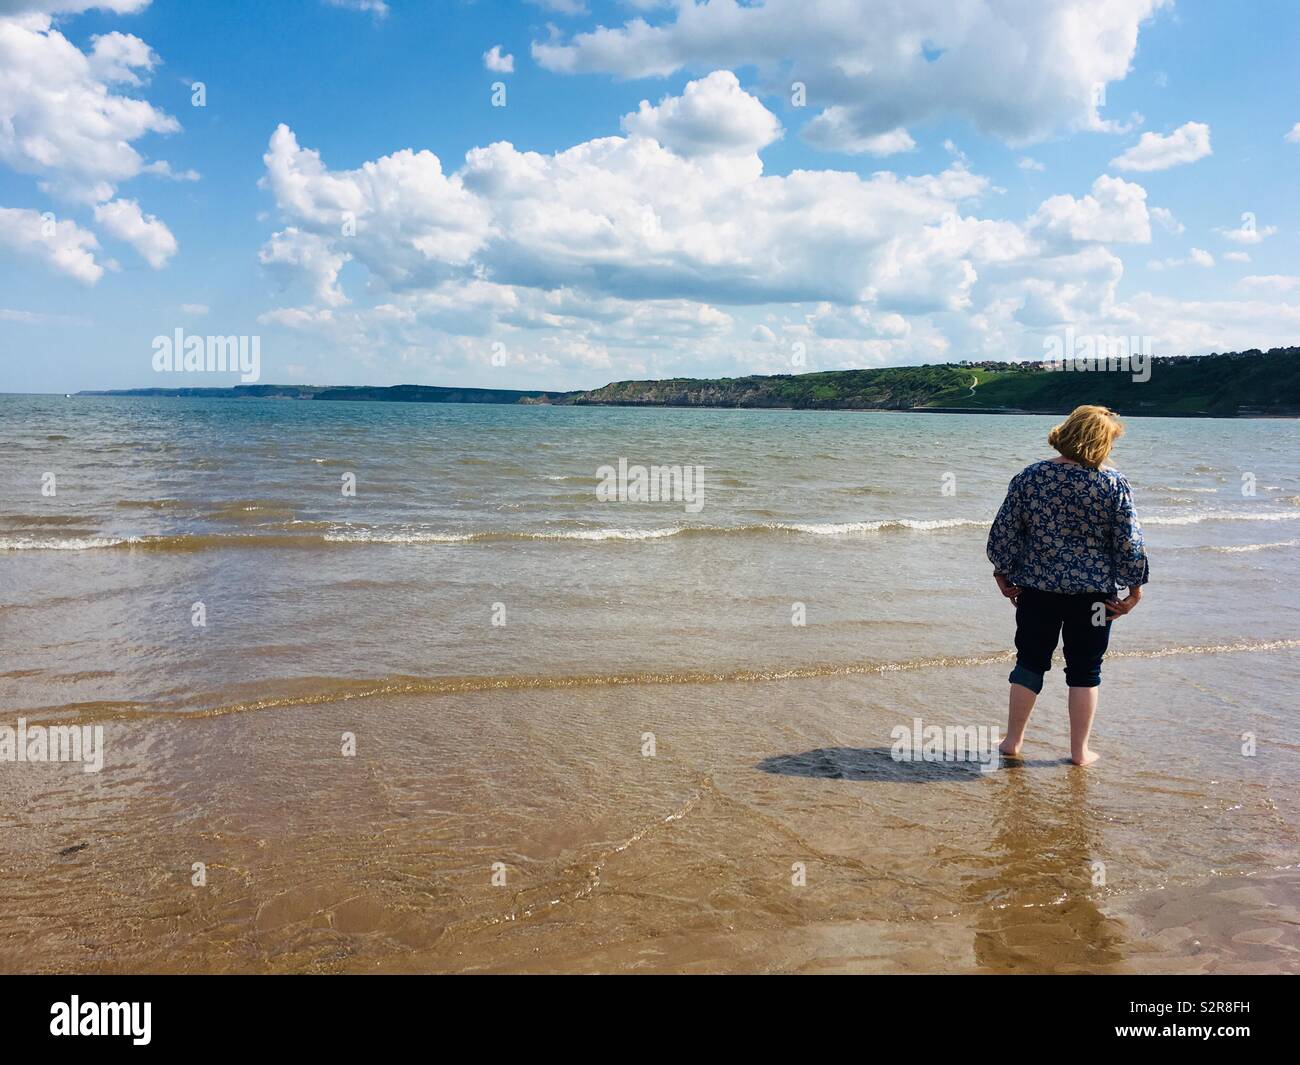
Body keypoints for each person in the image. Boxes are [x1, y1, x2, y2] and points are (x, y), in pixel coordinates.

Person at [986, 405, 1150, 765]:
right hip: (1093, 600)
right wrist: (1134, 588)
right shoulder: (1112, 484)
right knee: (1086, 669)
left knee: (1029, 662)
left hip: (1037, 594)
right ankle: (1079, 752)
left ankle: (1012, 742)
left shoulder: (1032, 477)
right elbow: (1129, 543)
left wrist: (1002, 572)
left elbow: (1006, 531)